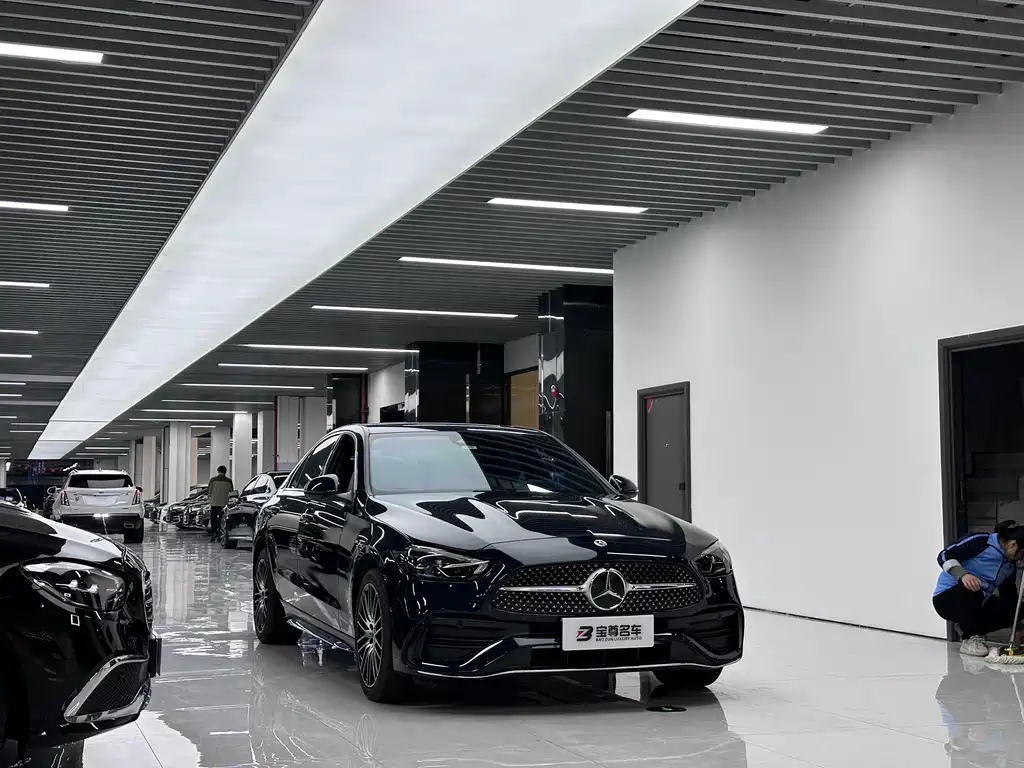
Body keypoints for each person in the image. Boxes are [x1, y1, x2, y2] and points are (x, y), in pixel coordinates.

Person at [934, 520, 1024, 657]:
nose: (1021, 559)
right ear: (1013, 544)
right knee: (974, 587)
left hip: (978, 602)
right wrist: (963, 575)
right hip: (947, 598)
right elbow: (944, 555)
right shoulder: (982, 541)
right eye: (1022, 554)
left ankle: (970, 625)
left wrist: (1018, 627)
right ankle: (969, 637)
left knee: (1018, 607)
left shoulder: (1009, 566)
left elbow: (1009, 597)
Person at [207, 465, 233, 542]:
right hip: (224, 504)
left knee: (213, 519)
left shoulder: (212, 480)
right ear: (225, 472)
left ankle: (214, 533)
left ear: (218, 471)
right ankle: (221, 533)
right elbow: (231, 492)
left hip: (214, 503)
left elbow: (209, 492)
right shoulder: (229, 481)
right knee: (223, 519)